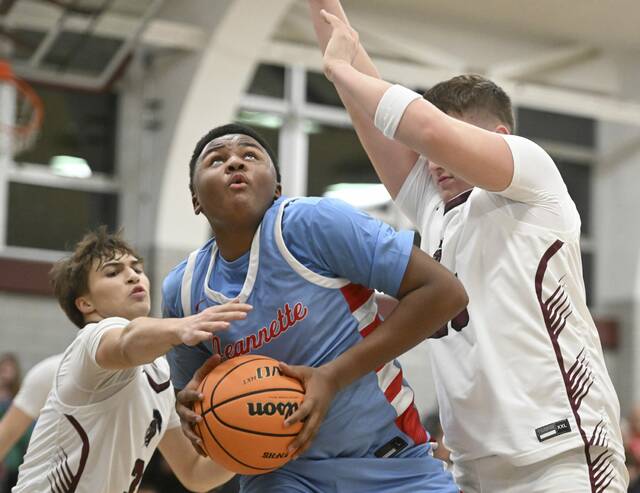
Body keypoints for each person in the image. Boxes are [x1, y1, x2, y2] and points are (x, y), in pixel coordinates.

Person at [307, 2, 628, 491]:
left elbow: (425, 130)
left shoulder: (530, 173)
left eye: (447, 147)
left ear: (498, 137)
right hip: (472, 462)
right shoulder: (435, 207)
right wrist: (336, 43)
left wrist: (337, 68)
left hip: (562, 452)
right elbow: (375, 116)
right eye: (429, 157)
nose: (431, 160)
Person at [163, 122, 468, 493]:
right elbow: (192, 401)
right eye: (216, 159)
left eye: (249, 155)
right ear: (195, 198)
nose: (234, 163)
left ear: (276, 189)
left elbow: (445, 292)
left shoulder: (312, 224)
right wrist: (194, 413)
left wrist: (333, 377)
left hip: (393, 464)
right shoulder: (182, 291)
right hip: (280, 476)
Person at [13, 228, 249, 493]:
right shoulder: (90, 343)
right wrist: (182, 326)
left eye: (137, 268)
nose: (132, 275)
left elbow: (194, 472)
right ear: (86, 304)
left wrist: (250, 447)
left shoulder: (159, 371)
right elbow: (127, 342)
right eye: (113, 272)